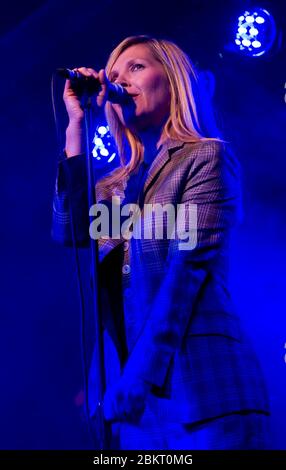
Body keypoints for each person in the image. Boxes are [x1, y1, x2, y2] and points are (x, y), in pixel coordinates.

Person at [52, 35, 271, 450]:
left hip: (204, 393)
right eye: (113, 75)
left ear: (173, 80)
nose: (120, 81)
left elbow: (183, 276)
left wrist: (136, 378)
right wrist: (75, 126)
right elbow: (70, 232)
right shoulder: (114, 187)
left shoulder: (205, 158)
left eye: (136, 67)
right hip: (134, 408)